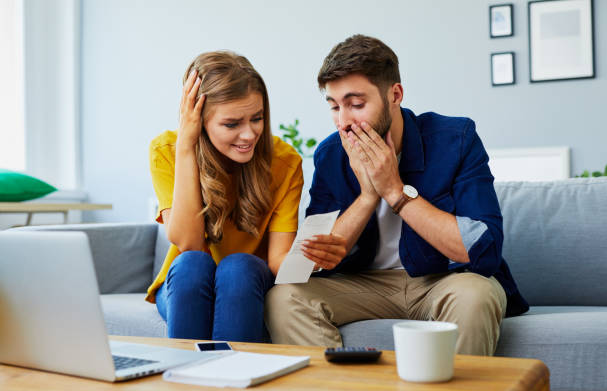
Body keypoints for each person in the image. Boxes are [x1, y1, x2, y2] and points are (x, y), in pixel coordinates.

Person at [265, 35, 528, 356]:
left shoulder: (456, 139)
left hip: (443, 282)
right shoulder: (331, 155)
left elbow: (481, 248)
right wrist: (366, 197)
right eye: (335, 107)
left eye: (356, 104)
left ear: (395, 94)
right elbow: (307, 262)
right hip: (363, 286)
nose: (344, 122)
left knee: (476, 295)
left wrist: (394, 191)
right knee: (285, 298)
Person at [146, 51, 303, 342]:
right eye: (232, 124)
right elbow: (189, 243)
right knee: (192, 263)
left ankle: (233, 380)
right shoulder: (166, 151)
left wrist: (313, 259)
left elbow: (277, 261)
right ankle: (186, 381)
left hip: (246, 283)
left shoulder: (285, 161)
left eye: (257, 118)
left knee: (238, 267)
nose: (249, 135)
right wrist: (186, 146)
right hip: (188, 283)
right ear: (199, 120)